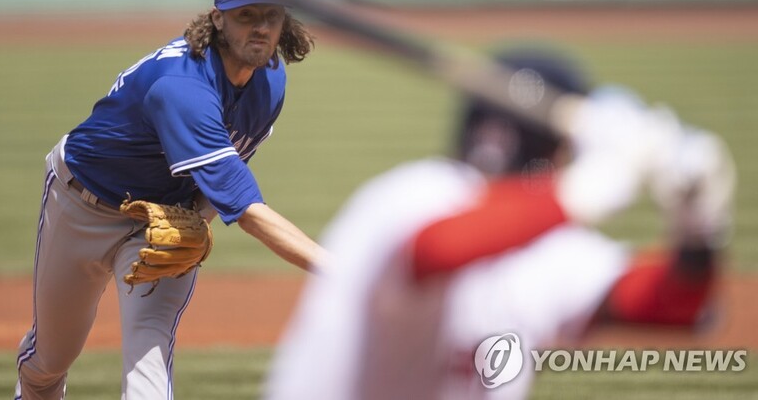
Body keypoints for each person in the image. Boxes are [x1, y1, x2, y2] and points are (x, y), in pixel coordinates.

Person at [263, 48, 735, 400]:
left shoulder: (550, 245)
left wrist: (699, 225)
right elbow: (440, 249)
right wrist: (596, 183)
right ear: (556, 147)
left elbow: (677, 307)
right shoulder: (413, 196)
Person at [15, 0, 332, 400]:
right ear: (218, 19)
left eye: (271, 15)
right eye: (246, 15)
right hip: (81, 205)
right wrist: (340, 270)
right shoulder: (180, 87)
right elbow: (247, 211)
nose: (260, 27)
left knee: (149, 353)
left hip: (163, 217)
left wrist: (197, 218)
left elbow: (232, 167)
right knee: (49, 361)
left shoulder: (271, 80)